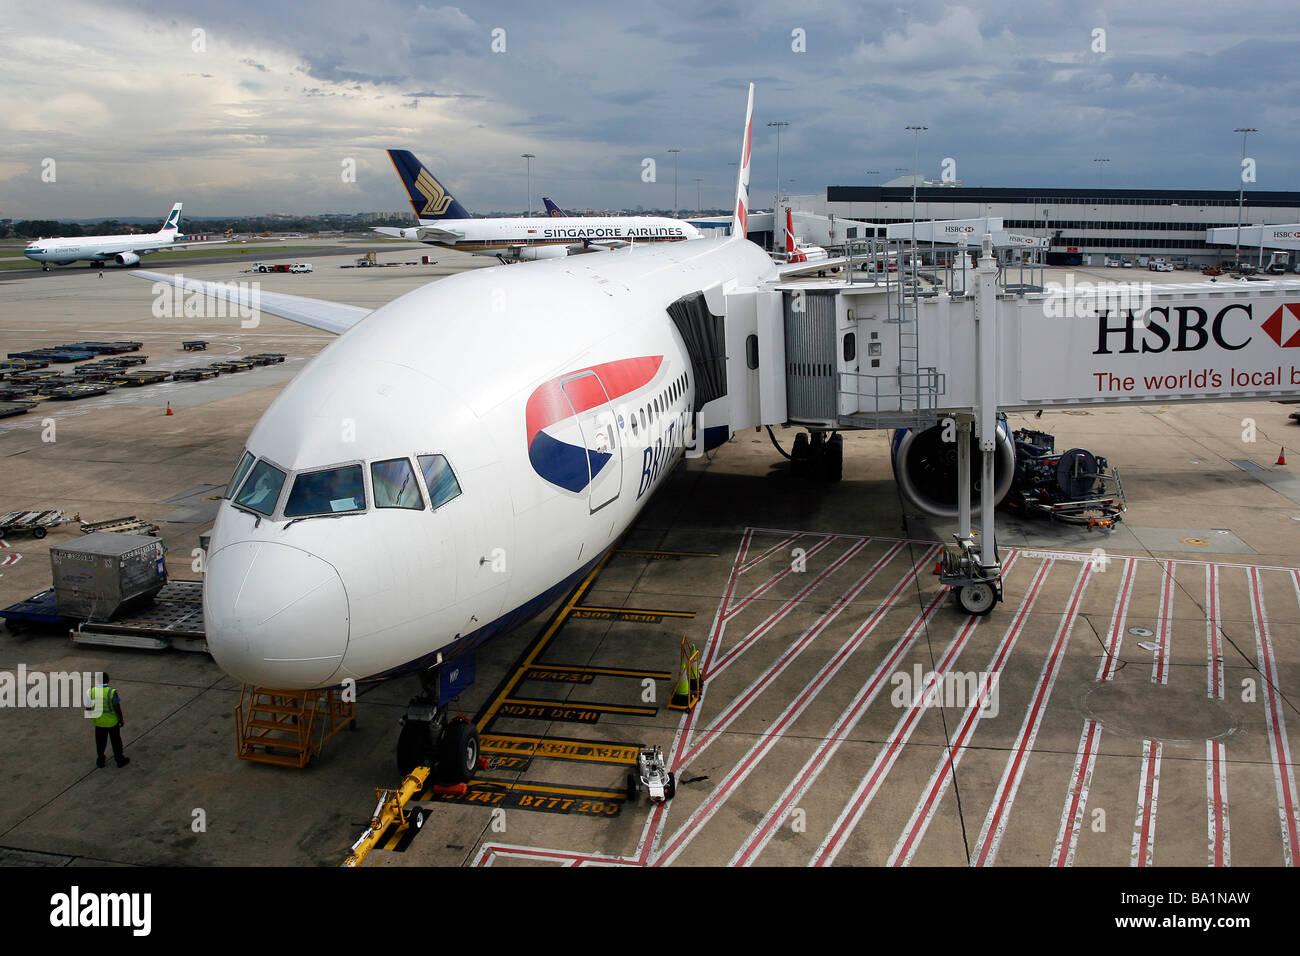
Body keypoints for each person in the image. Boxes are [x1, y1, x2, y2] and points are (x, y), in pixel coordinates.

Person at [85, 672, 130, 768]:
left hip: (99, 722)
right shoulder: (112, 692)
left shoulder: (91, 691)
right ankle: (119, 760)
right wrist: (121, 719)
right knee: (116, 741)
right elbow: (117, 707)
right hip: (112, 722)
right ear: (108, 680)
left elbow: (88, 708)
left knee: (100, 743)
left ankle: (100, 761)